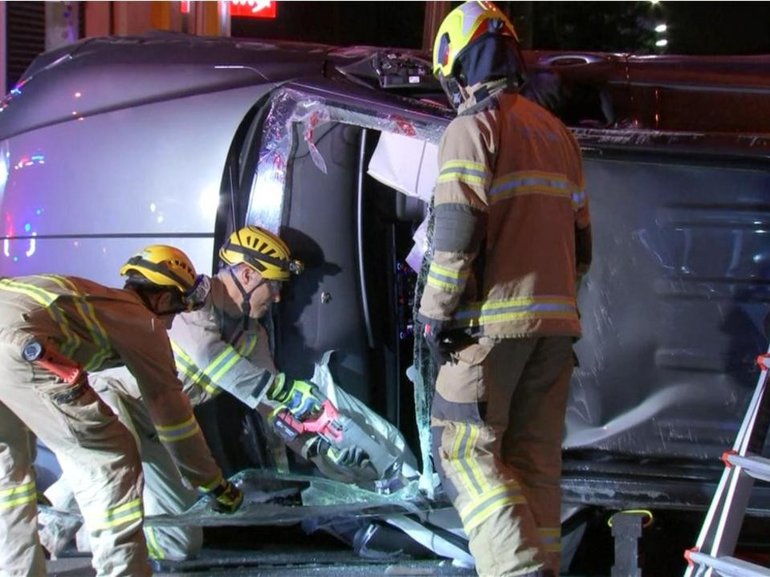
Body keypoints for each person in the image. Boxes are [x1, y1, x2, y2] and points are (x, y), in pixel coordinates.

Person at [42, 225, 414, 562]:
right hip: (111, 400)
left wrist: (324, 451)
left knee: (180, 544)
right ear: (248, 275)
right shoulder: (191, 300)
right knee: (114, 457)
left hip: (155, 427)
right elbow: (214, 362)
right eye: (274, 284)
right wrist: (281, 389)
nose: (280, 297)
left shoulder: (253, 335)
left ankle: (89, 535)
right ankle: (44, 528)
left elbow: (273, 409)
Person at [417, 2, 592, 577]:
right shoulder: (557, 134)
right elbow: (583, 243)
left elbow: (456, 234)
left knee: (465, 451)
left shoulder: (471, 129)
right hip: (555, 330)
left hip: (489, 330)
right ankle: (542, 564)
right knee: (533, 462)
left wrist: (434, 314)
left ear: (459, 64)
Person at [0, 245, 243, 577]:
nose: (174, 320)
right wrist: (212, 483)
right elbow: (173, 419)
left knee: (9, 477)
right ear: (160, 298)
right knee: (112, 459)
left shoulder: (95, 297)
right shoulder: (142, 322)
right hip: (24, 349)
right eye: (178, 304)